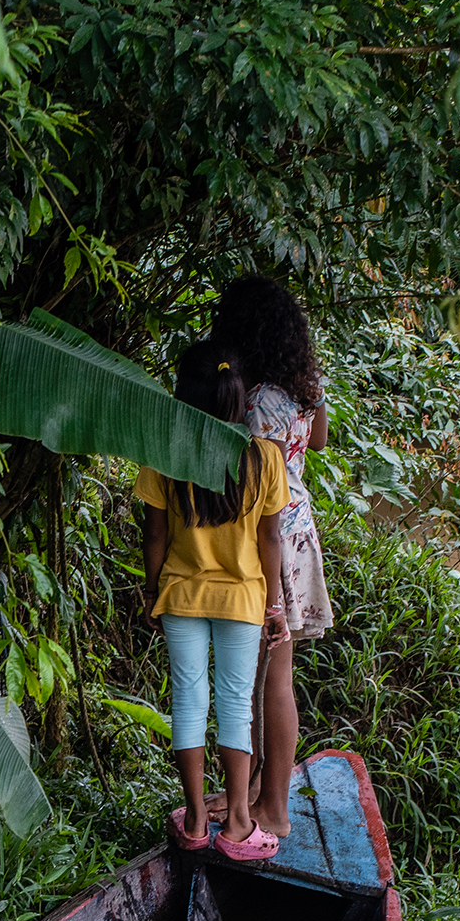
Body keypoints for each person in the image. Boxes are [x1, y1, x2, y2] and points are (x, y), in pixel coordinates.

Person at [136, 343, 290, 865]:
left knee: (188, 701)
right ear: (240, 398)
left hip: (181, 593)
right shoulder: (265, 457)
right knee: (233, 707)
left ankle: (198, 819)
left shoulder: (165, 450)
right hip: (244, 599)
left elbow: (155, 533)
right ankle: (241, 825)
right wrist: (275, 606)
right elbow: (271, 540)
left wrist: (152, 588)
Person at [208, 277, 331, 842]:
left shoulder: (259, 403)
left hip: (274, 540)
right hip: (299, 531)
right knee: (262, 675)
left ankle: (274, 808)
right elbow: (320, 442)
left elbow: (263, 488)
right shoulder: (305, 388)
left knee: (272, 677)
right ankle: (253, 792)